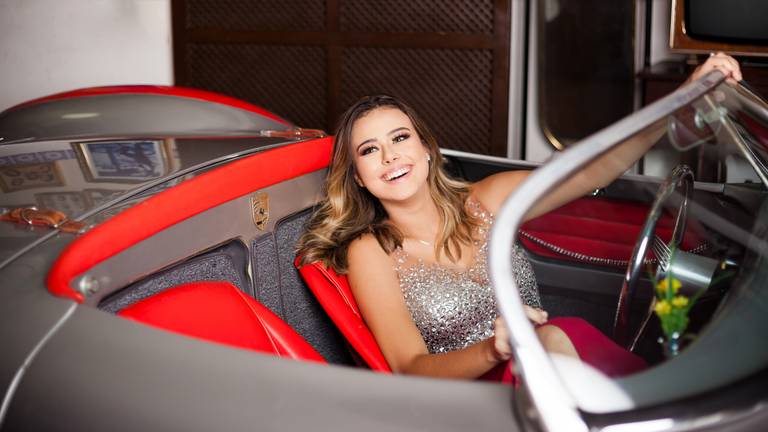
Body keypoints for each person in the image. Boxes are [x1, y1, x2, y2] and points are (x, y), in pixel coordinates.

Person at [297, 53, 742, 381]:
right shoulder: (369, 250)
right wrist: (494, 350)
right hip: (477, 394)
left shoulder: (485, 199)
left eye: (399, 138)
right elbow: (409, 367)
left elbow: (590, 170)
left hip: (554, 354)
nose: (390, 156)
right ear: (357, 177)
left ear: (427, 150)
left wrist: (678, 102)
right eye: (369, 150)